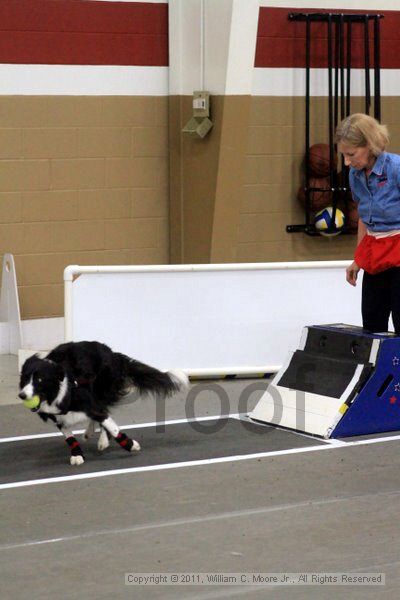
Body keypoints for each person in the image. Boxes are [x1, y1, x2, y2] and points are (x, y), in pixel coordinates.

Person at [335, 113, 400, 333]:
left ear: (369, 145)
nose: (346, 162)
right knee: (372, 324)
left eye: (351, 154)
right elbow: (364, 215)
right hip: (375, 252)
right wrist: (359, 258)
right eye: (343, 155)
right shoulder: (355, 174)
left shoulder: (396, 168)